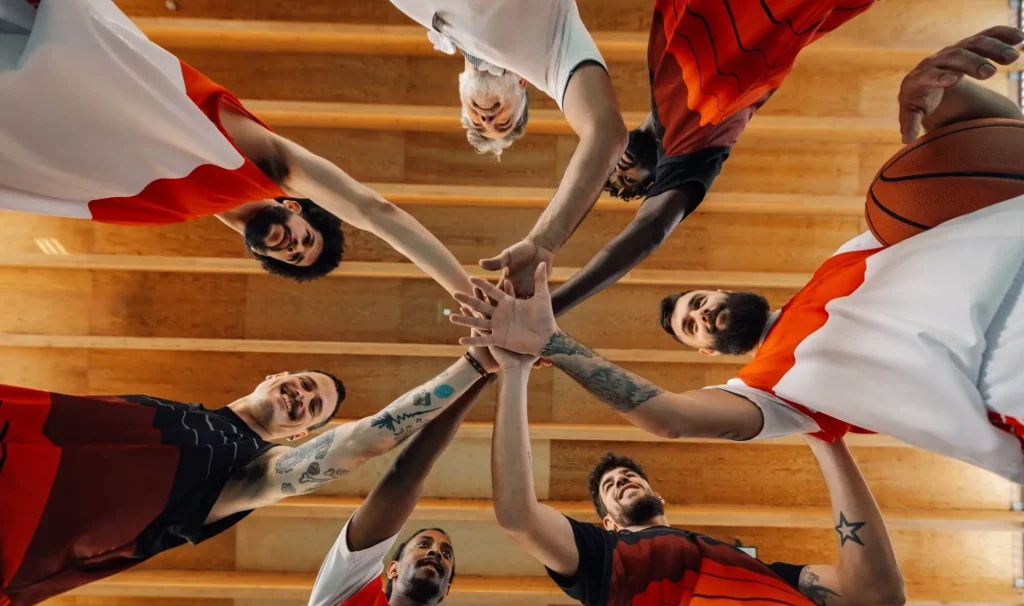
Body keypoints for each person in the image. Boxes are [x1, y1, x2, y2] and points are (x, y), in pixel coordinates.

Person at [450, 27, 1024, 483]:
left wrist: (939, 95)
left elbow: (989, 179)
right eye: (692, 328)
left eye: (696, 303)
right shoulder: (776, 391)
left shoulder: (853, 257)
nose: (700, 315)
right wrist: (553, 338)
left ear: (721, 288)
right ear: (709, 352)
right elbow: (668, 417)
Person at [485, 328, 907, 606]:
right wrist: (513, 371)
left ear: (660, 498)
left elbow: (876, 591)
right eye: (610, 487)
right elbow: (519, 516)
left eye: (629, 476)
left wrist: (824, 435)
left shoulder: (755, 572)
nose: (623, 480)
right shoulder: (602, 559)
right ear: (608, 524)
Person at [0, 347, 498, 606]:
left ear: (303, 433)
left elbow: (360, 442)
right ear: (274, 376)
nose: (302, 397)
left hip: (23, 526)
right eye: (304, 383)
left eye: (315, 407)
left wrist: (473, 367)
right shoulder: (179, 412)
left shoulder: (251, 471)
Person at [0, 0, 470, 287]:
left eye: (289, 255)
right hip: (55, 58)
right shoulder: (264, 166)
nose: (290, 244)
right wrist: (465, 292)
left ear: (262, 254)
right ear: (298, 207)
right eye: (303, 240)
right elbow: (376, 212)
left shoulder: (171, 210)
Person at [546, 0, 880, 315]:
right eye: (625, 181)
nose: (616, 169)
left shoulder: (660, 68)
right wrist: (554, 304)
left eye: (606, 172)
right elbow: (649, 230)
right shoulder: (692, 148)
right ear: (655, 182)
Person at [265, 365, 494, 606]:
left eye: (446, 554)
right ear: (393, 568)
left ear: (447, 590)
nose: (437, 554)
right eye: (424, 545)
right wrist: (484, 374)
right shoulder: (350, 596)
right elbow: (405, 474)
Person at [389, 0, 628, 297]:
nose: (486, 118)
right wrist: (544, 241)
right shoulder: (549, 56)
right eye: (502, 124)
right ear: (523, 84)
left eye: (477, 123)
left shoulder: (430, 19)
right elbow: (606, 133)